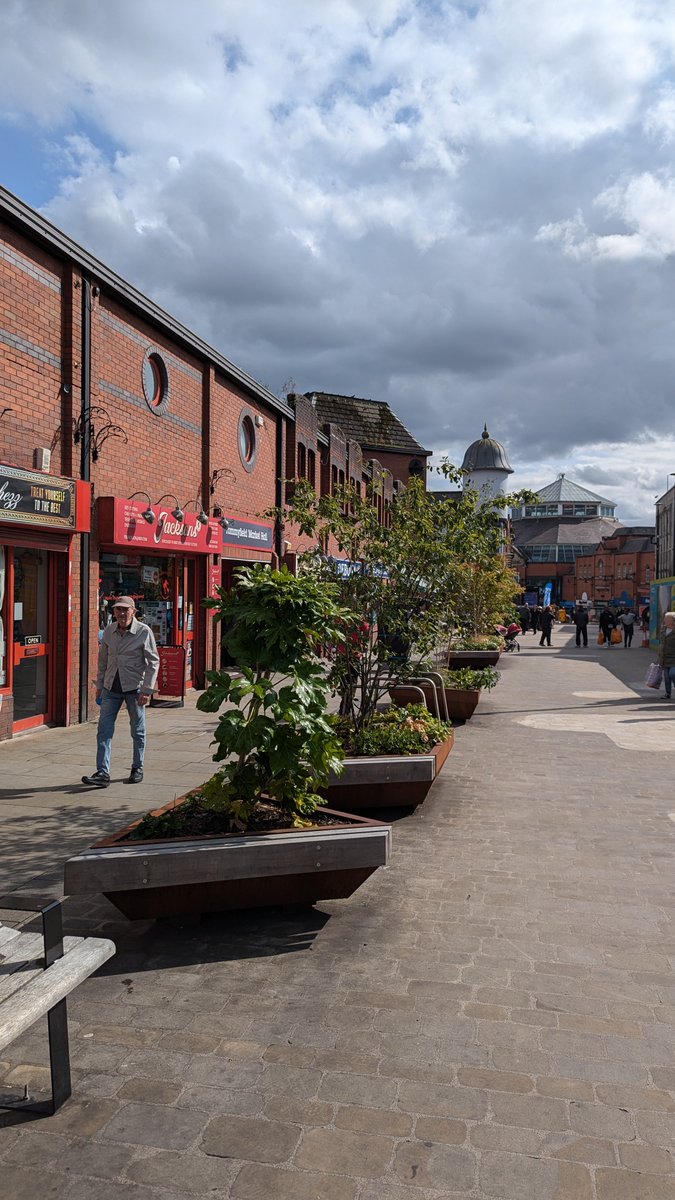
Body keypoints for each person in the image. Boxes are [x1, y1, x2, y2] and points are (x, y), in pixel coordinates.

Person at [82, 596, 159, 787]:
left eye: (125, 610)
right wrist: (99, 686)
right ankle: (102, 773)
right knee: (104, 731)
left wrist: (147, 689)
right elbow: (103, 661)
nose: (122, 614)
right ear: (114, 612)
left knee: (138, 731)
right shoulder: (109, 631)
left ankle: (137, 767)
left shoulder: (143, 631)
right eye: (118, 610)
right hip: (110, 689)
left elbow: (153, 662)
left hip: (135, 689)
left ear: (134, 611)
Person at [659, 611, 675, 700]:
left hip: (674, 657)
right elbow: (662, 642)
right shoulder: (663, 629)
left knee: (672, 674)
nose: (665, 620)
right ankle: (667, 693)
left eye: (667, 619)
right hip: (664, 657)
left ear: (672, 620)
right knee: (667, 677)